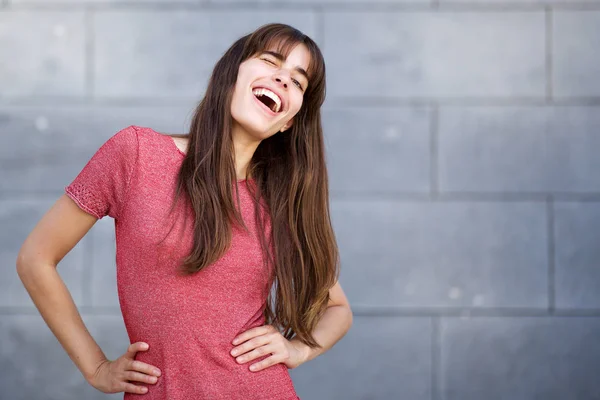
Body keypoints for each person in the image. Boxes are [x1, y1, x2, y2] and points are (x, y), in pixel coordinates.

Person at [16, 23, 353, 399]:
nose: (283, 79)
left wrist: (298, 349)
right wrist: (96, 367)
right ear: (232, 74)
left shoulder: (278, 201)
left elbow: (338, 309)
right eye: (270, 61)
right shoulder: (136, 154)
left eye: (298, 81)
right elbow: (35, 258)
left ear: (288, 121)